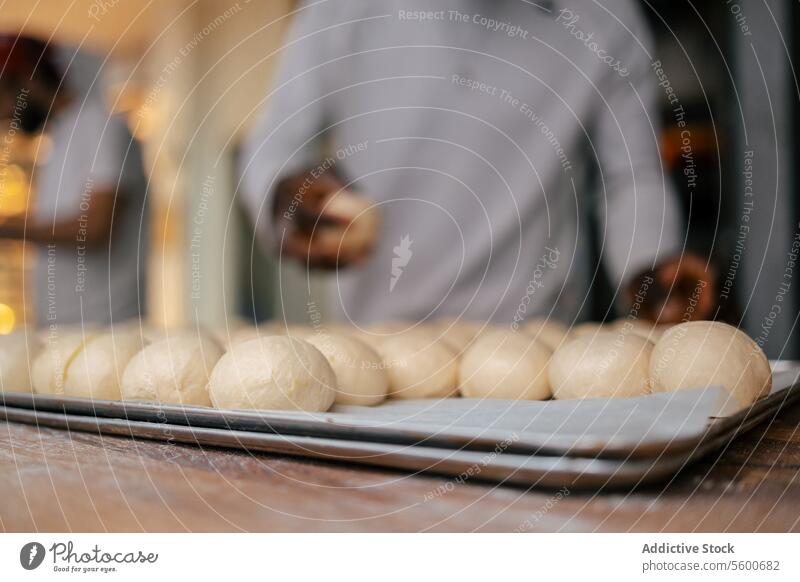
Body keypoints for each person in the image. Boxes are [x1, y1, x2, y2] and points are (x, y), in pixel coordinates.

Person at [240, 0, 715, 326]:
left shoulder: (601, 16)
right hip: (374, 337)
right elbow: (276, 142)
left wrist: (651, 263)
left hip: (533, 346)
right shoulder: (343, 7)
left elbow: (630, 175)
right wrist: (288, 199)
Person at [0, 36, 148, 327]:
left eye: (2, 97)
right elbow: (56, 220)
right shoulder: (61, 137)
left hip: (105, 332)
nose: (4, 114)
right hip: (66, 330)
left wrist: (6, 228)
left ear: (28, 80)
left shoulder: (100, 126)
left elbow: (93, 227)